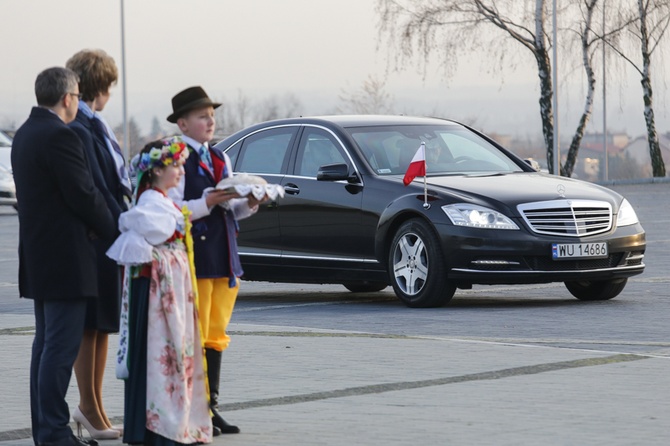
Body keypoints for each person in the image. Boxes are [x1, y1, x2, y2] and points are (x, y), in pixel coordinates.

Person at [11, 67, 115, 446]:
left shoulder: (24, 133)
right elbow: (84, 194)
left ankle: (46, 429)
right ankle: (54, 432)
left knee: (46, 345)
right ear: (69, 98)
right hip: (67, 259)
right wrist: (115, 231)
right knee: (59, 346)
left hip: (40, 256)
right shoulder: (60, 135)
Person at [166, 86, 264, 434]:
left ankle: (211, 407)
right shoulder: (176, 157)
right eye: (202, 116)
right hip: (196, 257)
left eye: (211, 115)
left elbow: (230, 210)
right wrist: (208, 200)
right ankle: (191, 409)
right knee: (193, 335)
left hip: (224, 255)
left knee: (215, 335)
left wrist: (251, 202)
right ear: (182, 123)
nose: (210, 121)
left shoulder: (220, 157)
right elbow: (171, 211)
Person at [106, 137, 213, 445]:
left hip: (169, 288)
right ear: (154, 170)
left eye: (180, 165)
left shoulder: (162, 201)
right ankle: (157, 427)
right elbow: (141, 239)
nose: (181, 171)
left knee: (169, 350)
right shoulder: (150, 203)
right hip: (157, 293)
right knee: (159, 350)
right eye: (175, 165)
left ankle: (164, 423)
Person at [65, 48, 130, 441]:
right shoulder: (79, 126)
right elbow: (96, 186)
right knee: (90, 324)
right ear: (100, 86)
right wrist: (119, 223)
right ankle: (87, 406)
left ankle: (97, 407)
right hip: (98, 236)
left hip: (110, 236)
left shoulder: (95, 124)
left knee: (103, 323)